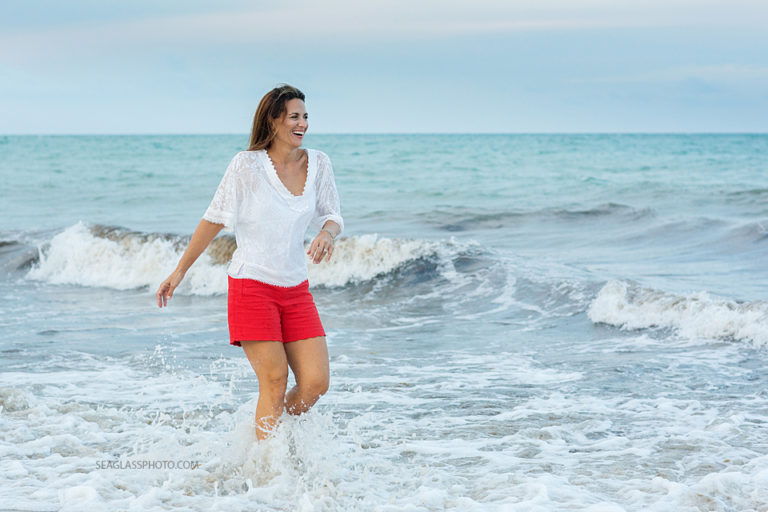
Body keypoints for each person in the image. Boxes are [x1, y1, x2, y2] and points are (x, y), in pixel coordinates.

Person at [155, 84, 343, 440]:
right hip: (252, 286)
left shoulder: (318, 163)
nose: (302, 123)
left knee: (316, 383)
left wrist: (327, 234)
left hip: (296, 289)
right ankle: (267, 465)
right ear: (273, 120)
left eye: (305, 117)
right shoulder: (246, 165)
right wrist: (179, 271)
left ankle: (265, 438)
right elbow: (213, 219)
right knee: (274, 380)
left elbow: (332, 214)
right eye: (294, 117)